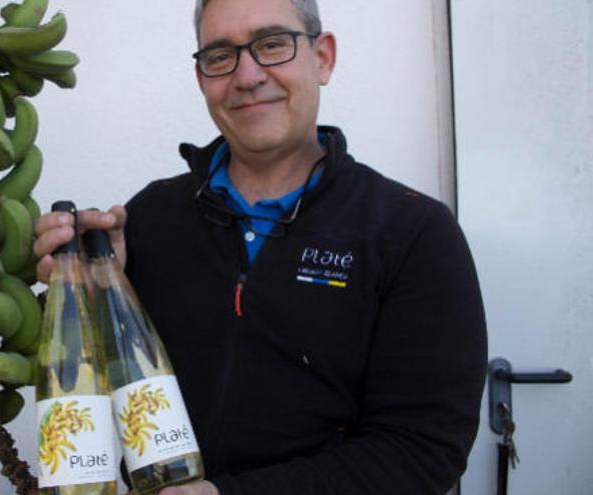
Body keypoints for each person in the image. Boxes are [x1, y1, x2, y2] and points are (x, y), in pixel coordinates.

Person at [34, 0, 488, 493]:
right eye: (220, 55)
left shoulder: (411, 231)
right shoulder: (149, 217)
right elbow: (91, 386)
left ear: (323, 57)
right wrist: (91, 287)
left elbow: (422, 453)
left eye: (273, 44)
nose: (247, 76)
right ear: (201, 76)